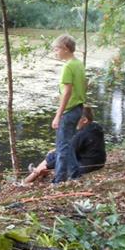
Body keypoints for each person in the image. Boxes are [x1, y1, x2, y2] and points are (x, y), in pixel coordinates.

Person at [24, 106, 106, 184]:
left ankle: (29, 178)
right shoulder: (94, 127)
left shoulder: (83, 134)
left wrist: (47, 166)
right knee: (55, 153)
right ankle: (39, 173)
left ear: (84, 120)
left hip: (87, 165)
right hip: (98, 162)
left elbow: (67, 154)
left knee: (54, 156)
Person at [50, 34, 86, 183]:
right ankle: (75, 173)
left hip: (69, 111)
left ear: (65, 48)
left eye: (56, 49)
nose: (55, 52)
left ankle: (59, 180)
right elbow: (83, 86)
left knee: (61, 147)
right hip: (78, 108)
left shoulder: (68, 66)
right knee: (68, 143)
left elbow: (67, 92)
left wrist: (58, 115)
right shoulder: (79, 64)